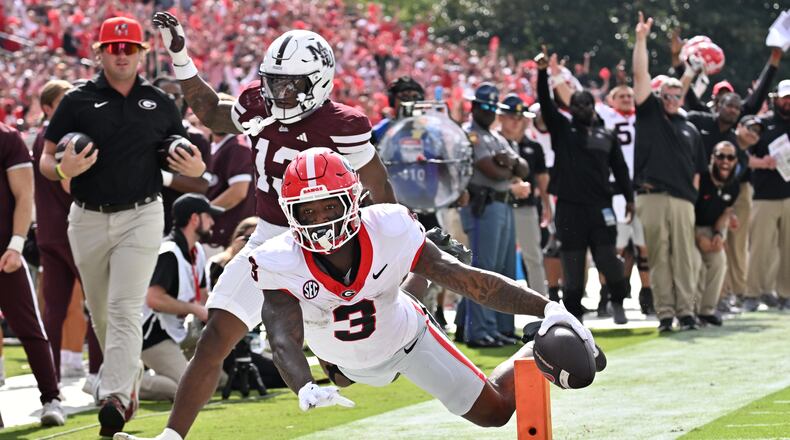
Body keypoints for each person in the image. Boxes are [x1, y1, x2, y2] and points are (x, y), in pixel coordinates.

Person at [115, 14, 396, 440]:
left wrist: (393, 240)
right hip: (269, 237)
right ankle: (171, 438)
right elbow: (210, 111)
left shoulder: (343, 125)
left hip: (327, 242)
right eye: (274, 81)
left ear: (319, 82)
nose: (280, 93)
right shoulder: (257, 105)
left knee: (341, 368)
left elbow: (379, 187)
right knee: (215, 337)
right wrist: (179, 54)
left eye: (292, 84)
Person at [253, 148, 596, 427]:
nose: (321, 220)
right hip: (343, 359)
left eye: (329, 206)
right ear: (290, 213)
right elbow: (283, 339)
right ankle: (418, 278)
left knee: (496, 413)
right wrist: (304, 385)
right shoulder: (278, 259)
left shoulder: (389, 226)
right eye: (308, 211)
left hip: (407, 340)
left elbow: (472, 283)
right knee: (342, 369)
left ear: (353, 200)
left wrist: (548, 309)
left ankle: (536, 349)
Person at [39, 16, 207, 436]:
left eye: (129, 48)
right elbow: (44, 161)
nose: (122, 55)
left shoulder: (159, 102)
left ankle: (114, 396)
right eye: (114, 48)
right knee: (101, 312)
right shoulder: (75, 101)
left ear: (142, 53)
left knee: (124, 307)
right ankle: (126, 384)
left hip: (143, 213)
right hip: (88, 216)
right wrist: (63, 169)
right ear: (99, 52)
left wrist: (198, 165)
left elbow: (188, 158)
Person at [536, 48, 633, 324]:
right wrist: (542, 73)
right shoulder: (563, 131)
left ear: (593, 107)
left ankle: (617, 301)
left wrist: (629, 198)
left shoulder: (607, 135)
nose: (581, 109)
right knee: (573, 264)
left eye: (586, 104)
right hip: (569, 207)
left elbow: (621, 170)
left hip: (600, 206)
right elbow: (546, 103)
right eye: (576, 105)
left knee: (608, 259)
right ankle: (574, 316)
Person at [632, 12, 707, 333]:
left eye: (678, 94)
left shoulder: (690, 126)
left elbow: (698, 170)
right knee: (659, 258)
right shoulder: (650, 114)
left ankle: (687, 312)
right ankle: (665, 314)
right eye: (668, 94)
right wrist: (640, 39)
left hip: (682, 200)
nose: (674, 99)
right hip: (652, 196)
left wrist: (691, 198)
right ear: (659, 96)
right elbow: (640, 74)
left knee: (686, 259)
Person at [31, 79, 103, 382]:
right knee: (97, 302)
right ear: (48, 107)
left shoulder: (40, 138)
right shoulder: (65, 138)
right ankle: (98, 373)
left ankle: (51, 378)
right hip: (74, 231)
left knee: (54, 308)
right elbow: (68, 184)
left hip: (47, 232)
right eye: (63, 101)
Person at [1, 121, 65, 426]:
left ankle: (51, 397)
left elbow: (25, 195)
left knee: (28, 326)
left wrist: (15, 244)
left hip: (4, 253)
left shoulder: (7, 137)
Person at [460, 82, 529, 347]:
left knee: (505, 269)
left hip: (503, 204)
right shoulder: (471, 135)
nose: (489, 112)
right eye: (485, 106)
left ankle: (501, 327)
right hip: (483, 205)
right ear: (475, 107)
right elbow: (490, 170)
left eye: (493, 107)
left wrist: (509, 163)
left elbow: (522, 168)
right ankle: (480, 330)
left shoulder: (497, 137)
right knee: (484, 269)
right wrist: (508, 167)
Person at [139, 194, 218, 401]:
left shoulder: (197, 250)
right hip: (151, 335)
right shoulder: (168, 252)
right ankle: (111, 383)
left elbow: (203, 296)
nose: (212, 222)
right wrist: (194, 309)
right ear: (194, 219)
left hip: (178, 331)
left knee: (216, 380)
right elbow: (154, 299)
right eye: (208, 216)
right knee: (189, 390)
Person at [596, 85, 654, 316]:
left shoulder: (643, 117)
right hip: (616, 191)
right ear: (611, 100)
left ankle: (647, 294)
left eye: (630, 96)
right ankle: (606, 294)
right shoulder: (605, 115)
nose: (628, 99)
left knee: (644, 247)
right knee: (613, 248)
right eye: (621, 96)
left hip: (639, 189)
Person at [743, 79, 790, 312]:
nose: (788, 102)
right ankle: (752, 293)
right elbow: (744, 155)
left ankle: (785, 294)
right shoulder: (762, 124)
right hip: (764, 195)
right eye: (785, 98)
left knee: (788, 249)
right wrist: (763, 163)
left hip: (789, 196)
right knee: (760, 248)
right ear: (776, 99)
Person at [497, 93, 549, 296]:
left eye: (521, 117)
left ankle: (542, 305)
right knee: (498, 260)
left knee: (533, 257)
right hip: (499, 205)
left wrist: (546, 205)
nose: (517, 122)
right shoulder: (493, 142)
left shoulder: (533, 146)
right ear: (501, 117)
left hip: (526, 206)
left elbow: (543, 179)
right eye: (512, 116)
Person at [152, 76, 211, 235]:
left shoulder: (196, 138)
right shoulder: (139, 133)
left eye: (176, 96)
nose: (171, 99)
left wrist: (159, 176)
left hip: (177, 227)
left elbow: (201, 185)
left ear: (183, 99)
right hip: (140, 219)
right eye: (164, 94)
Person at [694, 141, 741, 326]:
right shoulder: (701, 178)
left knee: (719, 260)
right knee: (695, 263)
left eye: (730, 157)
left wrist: (719, 235)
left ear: (736, 161)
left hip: (711, 228)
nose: (725, 161)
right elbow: (688, 211)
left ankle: (706, 311)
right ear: (712, 157)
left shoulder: (734, 185)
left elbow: (726, 213)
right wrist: (697, 238)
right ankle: (689, 311)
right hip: (689, 228)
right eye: (721, 156)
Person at [203, 93, 255, 254]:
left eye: (225, 113)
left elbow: (238, 192)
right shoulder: (214, 146)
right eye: (215, 112)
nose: (219, 117)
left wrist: (203, 211)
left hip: (225, 237)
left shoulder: (237, 146)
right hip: (214, 234)